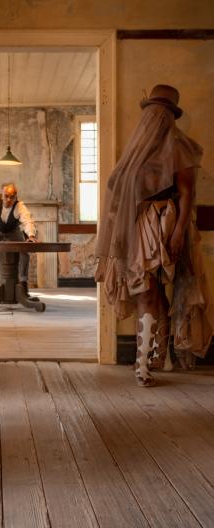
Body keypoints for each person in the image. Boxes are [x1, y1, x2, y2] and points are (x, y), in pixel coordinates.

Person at [95, 84, 213, 386]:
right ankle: (157, 356)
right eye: (152, 112)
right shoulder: (138, 149)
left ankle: (144, 362)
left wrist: (175, 235)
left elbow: (187, 195)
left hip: (163, 226)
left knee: (154, 291)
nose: (155, 118)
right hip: (137, 228)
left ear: (169, 116)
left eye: (161, 113)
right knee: (148, 290)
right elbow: (117, 189)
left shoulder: (180, 146)